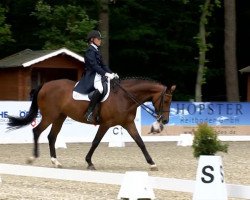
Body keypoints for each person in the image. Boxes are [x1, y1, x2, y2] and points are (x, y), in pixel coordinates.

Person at [74, 30, 119, 123]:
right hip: (91, 75)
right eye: (98, 39)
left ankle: (100, 112)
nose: (100, 40)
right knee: (100, 89)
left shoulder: (96, 50)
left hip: (98, 74)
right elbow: (94, 66)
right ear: (92, 39)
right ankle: (89, 112)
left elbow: (104, 65)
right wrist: (106, 74)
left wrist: (112, 73)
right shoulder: (90, 51)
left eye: (100, 39)